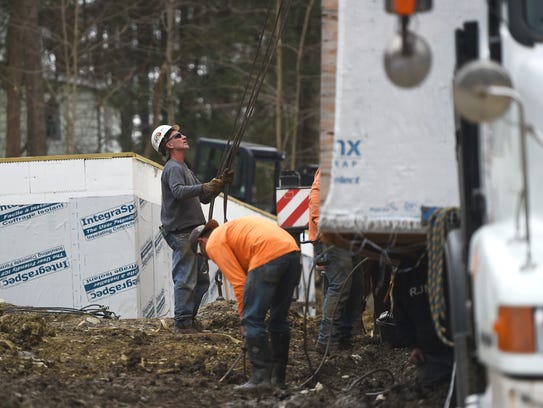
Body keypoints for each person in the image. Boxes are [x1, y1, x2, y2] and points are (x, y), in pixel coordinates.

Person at [189, 216, 301, 390]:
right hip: (292, 251)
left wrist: (244, 322)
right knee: (279, 319)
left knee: (252, 319)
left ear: (202, 241)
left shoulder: (213, 243)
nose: (209, 259)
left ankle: (260, 378)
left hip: (267, 253)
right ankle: (278, 379)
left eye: (204, 255)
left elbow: (240, 283)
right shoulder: (232, 232)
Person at [151, 124, 233, 333]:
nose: (184, 136)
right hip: (181, 233)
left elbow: (204, 197)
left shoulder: (185, 168)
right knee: (186, 279)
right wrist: (206, 186)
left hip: (194, 232)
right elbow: (179, 192)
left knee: (201, 281)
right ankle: (182, 323)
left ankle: (189, 320)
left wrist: (218, 184)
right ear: (169, 144)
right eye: (178, 136)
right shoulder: (173, 168)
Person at [308, 168, 365, 353]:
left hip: (349, 237)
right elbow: (316, 199)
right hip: (330, 236)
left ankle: (343, 337)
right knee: (339, 286)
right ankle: (327, 341)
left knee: (356, 287)